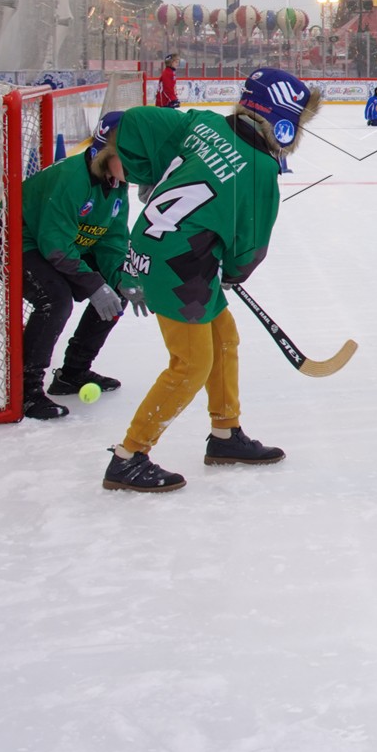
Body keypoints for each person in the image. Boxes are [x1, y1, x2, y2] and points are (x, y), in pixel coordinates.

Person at [101, 67, 320, 492]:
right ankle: (129, 456)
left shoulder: (201, 123)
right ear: (281, 119)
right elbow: (250, 248)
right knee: (191, 364)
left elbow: (132, 124)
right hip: (180, 265)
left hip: (155, 247)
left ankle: (225, 434)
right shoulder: (259, 169)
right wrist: (233, 273)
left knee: (223, 336)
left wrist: (154, 174)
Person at [15, 112, 137, 419]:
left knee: (114, 291)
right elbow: (54, 245)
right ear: (104, 153)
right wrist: (93, 284)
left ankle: (73, 372)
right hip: (17, 242)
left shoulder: (116, 184)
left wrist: (120, 279)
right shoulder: (72, 178)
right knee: (55, 300)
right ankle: (25, 391)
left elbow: (112, 240)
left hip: (62, 243)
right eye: (130, 155)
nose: (138, 164)